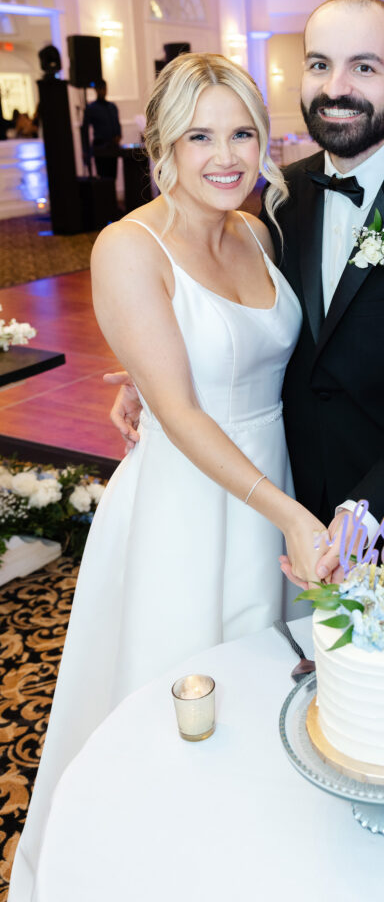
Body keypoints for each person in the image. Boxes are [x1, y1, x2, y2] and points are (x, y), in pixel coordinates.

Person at [9, 53, 323, 900]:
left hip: (266, 478)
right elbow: (182, 414)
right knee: (178, 688)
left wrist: (145, 376)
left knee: (266, 686)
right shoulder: (125, 244)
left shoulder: (257, 232)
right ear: (162, 146)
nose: (227, 156)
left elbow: (248, 361)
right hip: (190, 500)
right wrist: (289, 513)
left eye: (243, 133)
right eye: (200, 136)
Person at [110, 0, 384, 601]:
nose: (337, 87)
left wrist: (369, 511)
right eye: (321, 64)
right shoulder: (278, 197)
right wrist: (154, 370)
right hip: (287, 507)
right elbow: (242, 313)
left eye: (364, 67)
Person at [82, 79, 122, 179]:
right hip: (100, 148)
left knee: (113, 176)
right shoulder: (91, 108)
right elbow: (84, 130)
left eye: (104, 89)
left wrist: (118, 136)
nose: (102, 91)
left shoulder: (112, 107)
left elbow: (117, 124)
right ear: (96, 90)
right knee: (103, 177)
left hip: (113, 147)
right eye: (100, 89)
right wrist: (86, 151)